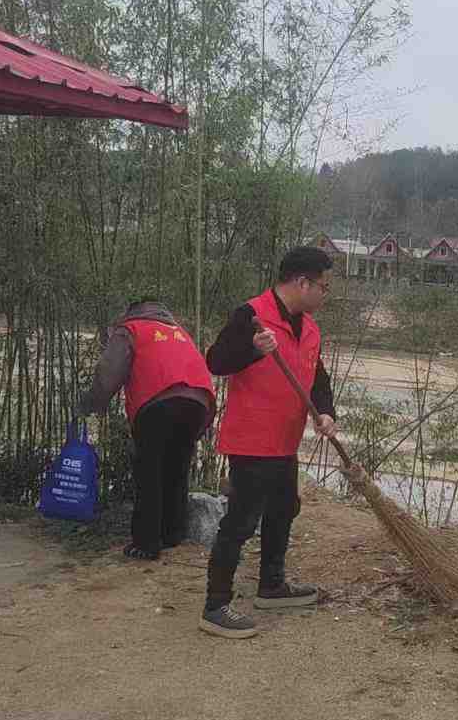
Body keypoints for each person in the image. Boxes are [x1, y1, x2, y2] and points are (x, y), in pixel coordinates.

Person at [198, 246, 339, 639]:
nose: (325, 295)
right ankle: (215, 606)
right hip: (252, 439)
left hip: (285, 440)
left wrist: (326, 413)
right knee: (241, 521)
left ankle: (271, 586)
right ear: (302, 282)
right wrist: (252, 350)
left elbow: (318, 377)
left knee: (284, 508)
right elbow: (216, 361)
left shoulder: (309, 328)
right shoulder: (252, 315)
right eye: (324, 287)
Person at [77, 299, 215, 562]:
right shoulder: (177, 330)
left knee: (149, 471)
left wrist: (91, 403)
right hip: (199, 402)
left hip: (158, 401)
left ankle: (146, 543)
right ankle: (172, 533)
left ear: (130, 311)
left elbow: (109, 372)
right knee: (176, 467)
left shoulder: (131, 328)